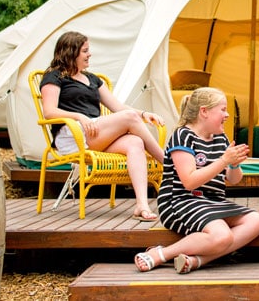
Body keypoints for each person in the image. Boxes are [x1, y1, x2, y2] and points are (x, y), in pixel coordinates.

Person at [134, 87, 259, 274]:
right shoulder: (183, 136)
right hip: (181, 201)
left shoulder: (220, 137)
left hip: (212, 202)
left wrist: (234, 164)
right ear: (204, 111)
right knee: (222, 236)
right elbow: (189, 182)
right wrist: (224, 160)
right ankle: (162, 254)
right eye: (222, 109)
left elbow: (233, 179)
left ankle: (197, 261)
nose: (227, 115)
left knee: (256, 220)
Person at [40, 31, 165, 222]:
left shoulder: (92, 79)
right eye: (85, 51)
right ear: (71, 52)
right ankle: (168, 163)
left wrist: (143, 114)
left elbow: (118, 108)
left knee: (135, 142)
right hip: (72, 134)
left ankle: (142, 204)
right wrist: (79, 116)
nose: (89, 54)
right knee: (130, 119)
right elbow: (49, 112)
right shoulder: (54, 77)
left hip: (95, 133)